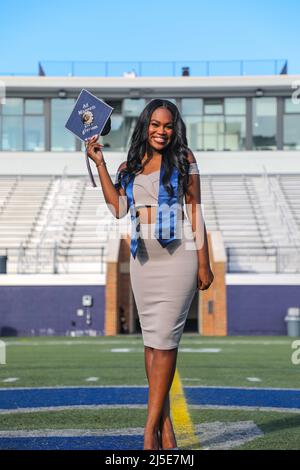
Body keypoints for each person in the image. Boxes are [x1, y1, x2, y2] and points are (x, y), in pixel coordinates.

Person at [86, 99, 214, 451]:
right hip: (143, 260)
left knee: (166, 343)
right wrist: (100, 164)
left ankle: (148, 430)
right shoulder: (130, 165)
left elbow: (196, 211)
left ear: (175, 128)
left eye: (168, 125)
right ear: (146, 126)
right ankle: (166, 427)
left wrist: (204, 262)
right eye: (155, 125)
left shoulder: (184, 159)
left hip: (178, 257)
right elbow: (117, 209)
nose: (162, 131)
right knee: (150, 343)